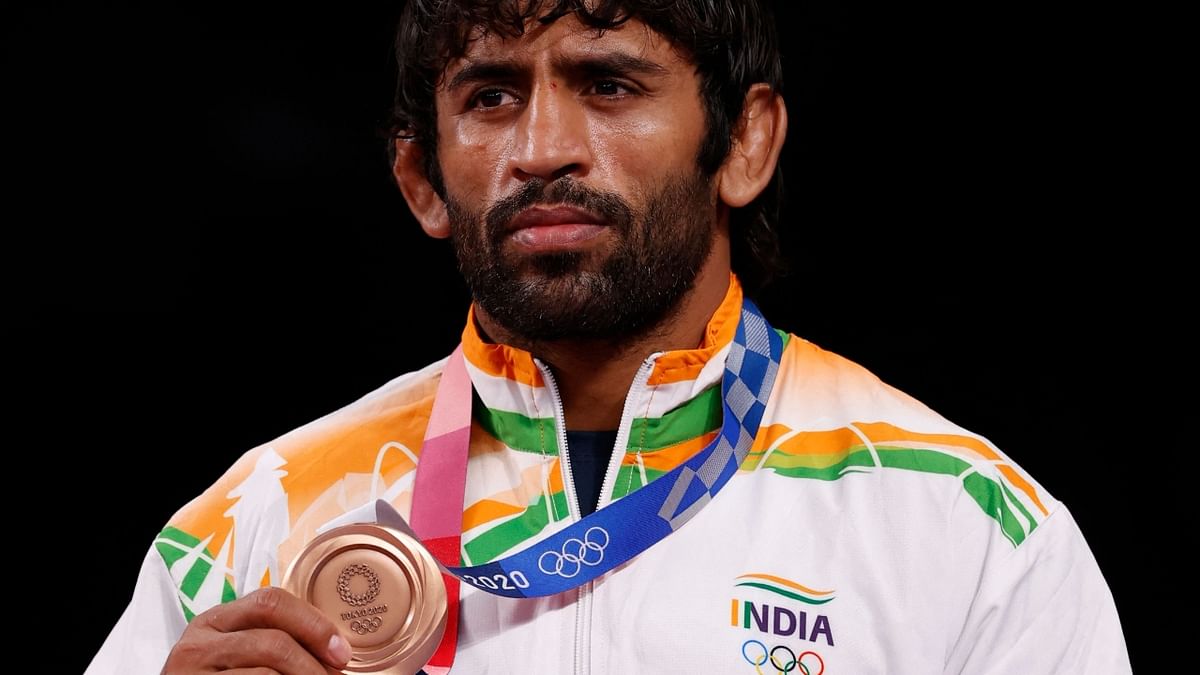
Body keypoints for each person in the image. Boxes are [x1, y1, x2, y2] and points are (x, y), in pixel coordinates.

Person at [87, 1, 1131, 673]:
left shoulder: (969, 528)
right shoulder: (253, 522)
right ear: (421, 180)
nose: (543, 149)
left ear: (746, 142)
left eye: (609, 84)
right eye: (490, 96)